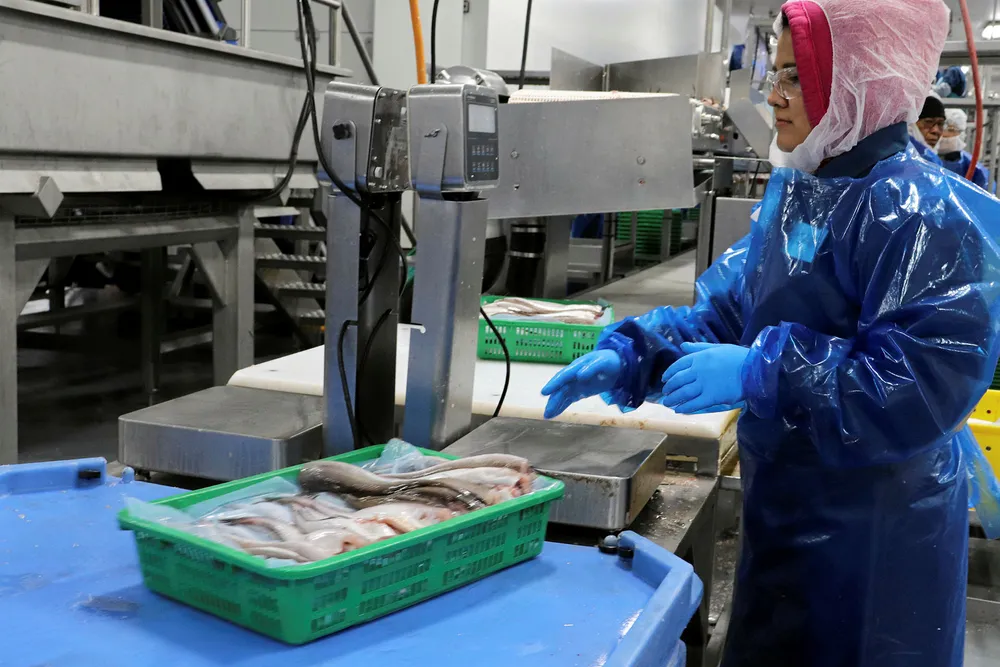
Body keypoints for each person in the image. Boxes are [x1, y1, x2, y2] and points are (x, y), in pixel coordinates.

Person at [540, 1, 1000, 666]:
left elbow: (920, 386)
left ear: (859, 83)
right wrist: (634, 353)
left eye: (795, 76)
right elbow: (728, 312)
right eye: (774, 74)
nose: (774, 96)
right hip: (785, 512)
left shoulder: (922, 215)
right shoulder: (803, 193)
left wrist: (764, 371)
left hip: (878, 537)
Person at [939, 107, 991, 190]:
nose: (942, 134)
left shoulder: (971, 166)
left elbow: (986, 191)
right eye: (950, 130)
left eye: (951, 130)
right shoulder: (924, 156)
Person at [910, 94, 946, 164]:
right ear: (912, 124)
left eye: (940, 124)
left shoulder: (934, 160)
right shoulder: (902, 158)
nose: (935, 130)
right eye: (928, 122)